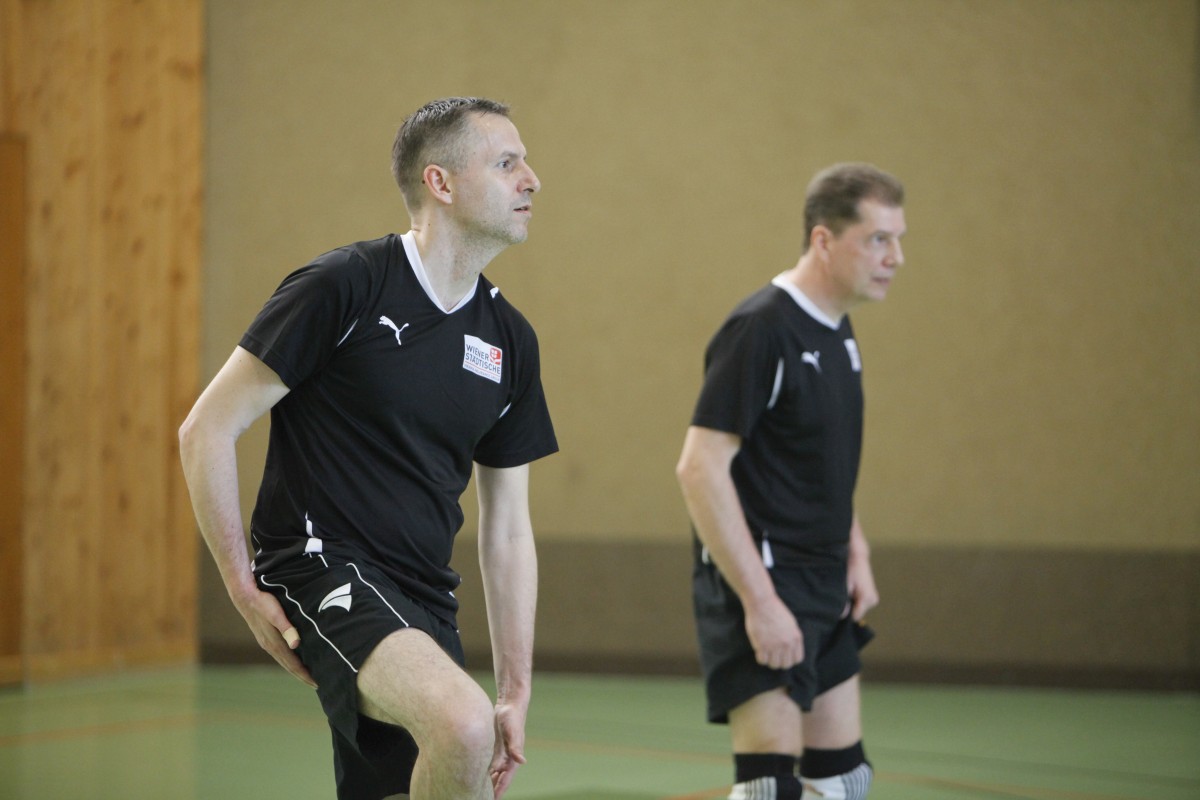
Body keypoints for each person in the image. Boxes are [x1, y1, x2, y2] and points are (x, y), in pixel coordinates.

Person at [179, 97, 557, 800]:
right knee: (462, 725)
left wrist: (515, 689)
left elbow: (507, 529)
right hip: (319, 565)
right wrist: (241, 586)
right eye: (507, 163)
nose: (531, 179)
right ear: (441, 182)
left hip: (425, 596)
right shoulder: (346, 285)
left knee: (438, 769)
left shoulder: (510, 340)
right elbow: (206, 429)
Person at [675, 163, 906, 800]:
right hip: (765, 580)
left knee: (844, 780)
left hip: (823, 578)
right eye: (878, 240)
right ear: (823, 240)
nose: (895, 258)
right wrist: (760, 603)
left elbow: (816, 461)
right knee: (769, 792)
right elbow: (699, 468)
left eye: (898, 239)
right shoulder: (761, 329)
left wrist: (855, 549)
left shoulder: (837, 330)